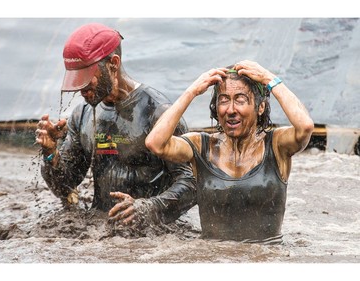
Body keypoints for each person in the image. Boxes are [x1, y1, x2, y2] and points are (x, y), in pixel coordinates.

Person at [35, 23, 196, 228]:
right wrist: (50, 153)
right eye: (77, 81)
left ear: (113, 63)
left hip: (153, 233)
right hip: (100, 228)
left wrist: (149, 208)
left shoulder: (159, 114)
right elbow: (64, 186)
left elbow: (191, 184)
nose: (82, 89)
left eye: (87, 79)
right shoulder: (82, 115)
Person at [145, 60, 314, 243]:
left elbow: (305, 127)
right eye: (224, 100)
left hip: (266, 258)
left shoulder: (276, 145)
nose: (231, 110)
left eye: (240, 100)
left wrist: (269, 78)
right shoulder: (201, 146)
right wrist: (192, 92)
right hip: (214, 258)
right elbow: (156, 143)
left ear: (261, 107)